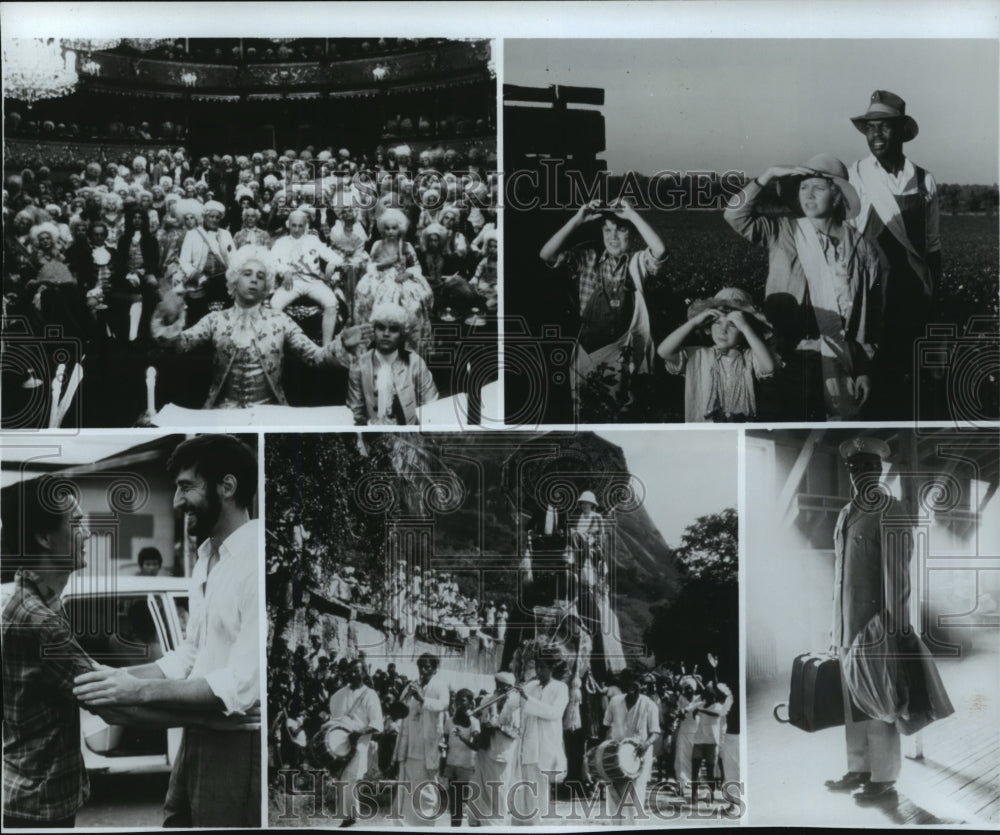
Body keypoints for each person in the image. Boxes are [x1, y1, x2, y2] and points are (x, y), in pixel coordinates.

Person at [73, 434, 262, 827]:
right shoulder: (207, 559)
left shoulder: (258, 561)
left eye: (185, 487)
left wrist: (137, 689)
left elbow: (242, 684)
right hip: (197, 734)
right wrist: (121, 677)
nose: (177, 502)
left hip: (238, 742)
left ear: (227, 487)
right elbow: (190, 655)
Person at [724, 155, 883, 420]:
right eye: (803, 187)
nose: (808, 195)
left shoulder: (862, 248)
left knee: (833, 426)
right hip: (788, 353)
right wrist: (768, 173)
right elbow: (733, 214)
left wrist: (864, 368)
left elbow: (870, 314)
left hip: (839, 356)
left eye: (818, 188)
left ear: (836, 196)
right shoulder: (783, 230)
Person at [151, 245, 369, 408]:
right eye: (247, 274)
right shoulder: (215, 319)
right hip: (222, 413)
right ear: (234, 280)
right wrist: (169, 320)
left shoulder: (280, 321)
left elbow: (317, 358)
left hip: (270, 413)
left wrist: (342, 343)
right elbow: (179, 346)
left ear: (268, 286)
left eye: (261, 276)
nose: (254, 280)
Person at [846, 91, 940, 419]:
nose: (876, 135)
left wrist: (932, 303)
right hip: (870, 289)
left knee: (906, 374)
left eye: (884, 127)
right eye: (871, 128)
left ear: (901, 131)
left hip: (911, 290)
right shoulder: (855, 175)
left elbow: (931, 246)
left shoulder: (924, 180)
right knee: (870, 367)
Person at [825, 436, 907, 804]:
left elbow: (898, 577)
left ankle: (884, 777)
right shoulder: (845, 513)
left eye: (870, 468)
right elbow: (841, 576)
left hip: (876, 626)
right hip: (846, 626)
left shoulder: (891, 510)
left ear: (881, 470)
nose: (862, 475)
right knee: (852, 703)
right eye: (856, 469)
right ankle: (858, 768)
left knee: (878, 701)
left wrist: (892, 628)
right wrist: (834, 626)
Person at [539, 199, 667, 405]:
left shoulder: (637, 263)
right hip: (587, 352)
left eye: (620, 230)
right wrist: (577, 220)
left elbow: (660, 251)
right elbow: (546, 254)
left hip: (623, 353)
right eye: (607, 230)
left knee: (619, 406)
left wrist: (633, 215)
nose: (613, 237)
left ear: (632, 233)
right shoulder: (589, 259)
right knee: (584, 406)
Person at [657, 287, 776, 422]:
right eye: (717, 323)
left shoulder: (749, 357)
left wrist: (745, 327)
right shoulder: (698, 355)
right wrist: (695, 322)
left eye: (732, 325)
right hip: (704, 432)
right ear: (708, 327)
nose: (723, 330)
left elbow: (769, 367)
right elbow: (663, 351)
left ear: (744, 333)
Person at [347, 302, 439, 426]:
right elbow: (355, 415)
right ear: (373, 330)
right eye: (381, 327)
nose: (386, 334)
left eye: (393, 329)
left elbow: (431, 406)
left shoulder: (415, 363)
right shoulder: (360, 365)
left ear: (402, 334)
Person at [354, 208, 433, 347]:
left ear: (400, 229)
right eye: (387, 228)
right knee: (368, 295)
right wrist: (385, 264)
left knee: (414, 302)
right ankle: (375, 337)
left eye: (394, 228)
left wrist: (408, 274)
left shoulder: (406, 247)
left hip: (402, 277)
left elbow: (416, 266)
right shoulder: (377, 245)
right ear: (383, 230)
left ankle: (406, 338)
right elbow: (370, 266)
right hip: (380, 277)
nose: (391, 232)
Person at [269, 209, 345, 347]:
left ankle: (326, 347)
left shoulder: (313, 240)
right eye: (294, 225)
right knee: (274, 305)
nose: (297, 229)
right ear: (288, 225)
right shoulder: (281, 242)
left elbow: (337, 258)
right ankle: (278, 344)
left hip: (313, 282)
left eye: (300, 226)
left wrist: (332, 264)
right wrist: (284, 270)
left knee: (331, 302)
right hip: (292, 282)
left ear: (305, 226)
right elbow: (272, 262)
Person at [392, 653, 450, 826]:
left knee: (427, 788)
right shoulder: (412, 685)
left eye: (427, 667)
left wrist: (422, 699)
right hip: (409, 745)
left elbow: (444, 705)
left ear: (434, 668)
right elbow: (398, 710)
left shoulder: (440, 686)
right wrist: (407, 694)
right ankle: (407, 825)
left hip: (428, 746)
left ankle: (427, 823)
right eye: (420, 666)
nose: (423, 670)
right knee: (407, 788)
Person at [513, 649, 569, 825]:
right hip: (528, 746)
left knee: (540, 793)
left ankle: (538, 827)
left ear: (552, 668)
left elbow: (553, 713)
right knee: (524, 792)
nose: (539, 672)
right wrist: (514, 692)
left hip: (546, 747)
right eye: (537, 667)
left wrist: (526, 698)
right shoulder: (531, 686)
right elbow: (515, 704)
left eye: (543, 668)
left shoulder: (561, 688)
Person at [325, 658, 383, 827]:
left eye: (356, 671)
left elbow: (377, 724)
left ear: (364, 673)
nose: (352, 674)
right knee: (343, 780)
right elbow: (333, 718)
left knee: (351, 779)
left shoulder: (370, 695)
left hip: (359, 745)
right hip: (339, 746)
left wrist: (359, 733)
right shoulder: (338, 695)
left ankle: (351, 818)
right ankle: (349, 818)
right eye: (349, 671)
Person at [602, 669, 660, 822]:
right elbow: (607, 726)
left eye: (636, 684)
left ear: (642, 686)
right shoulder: (615, 701)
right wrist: (604, 751)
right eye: (628, 683)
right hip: (616, 756)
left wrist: (645, 744)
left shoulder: (650, 705)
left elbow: (655, 732)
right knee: (614, 794)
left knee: (635, 797)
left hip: (639, 757)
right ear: (623, 684)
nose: (632, 687)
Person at [469, 672, 521, 826]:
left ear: (510, 687)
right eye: (497, 684)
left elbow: (516, 731)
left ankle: (495, 825)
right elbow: (479, 719)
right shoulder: (488, 699)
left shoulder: (515, 704)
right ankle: (477, 822)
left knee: (498, 792)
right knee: (478, 789)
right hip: (484, 751)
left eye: (502, 686)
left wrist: (497, 725)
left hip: (501, 754)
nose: (498, 688)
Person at [177, 200, 234, 325]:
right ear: (204, 217)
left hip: (222, 281)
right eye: (211, 216)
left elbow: (233, 259)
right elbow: (184, 261)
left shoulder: (226, 234)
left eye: (217, 217)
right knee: (198, 316)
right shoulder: (192, 234)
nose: (214, 220)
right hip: (200, 281)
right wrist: (196, 275)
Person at [442, 688, 480, 827]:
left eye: (463, 700)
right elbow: (445, 742)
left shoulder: (474, 722)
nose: (459, 703)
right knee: (455, 805)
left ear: (471, 703)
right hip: (452, 765)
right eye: (457, 700)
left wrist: (462, 738)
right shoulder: (449, 721)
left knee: (467, 803)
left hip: (466, 767)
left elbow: (476, 746)